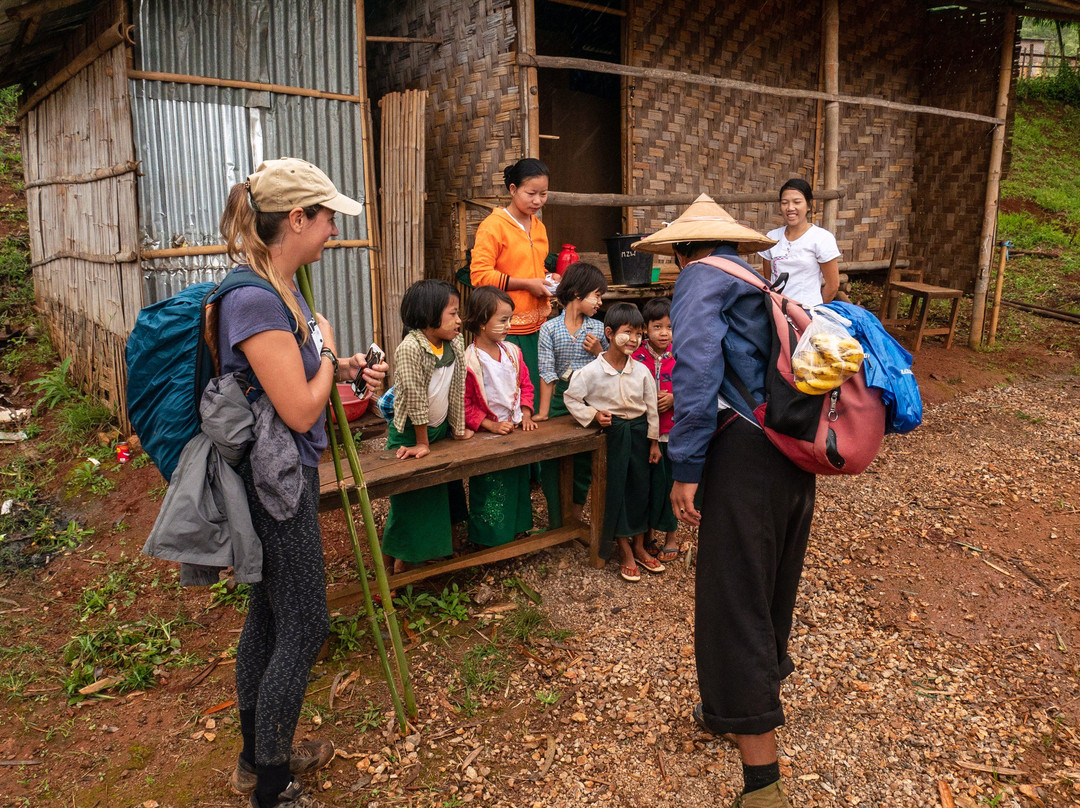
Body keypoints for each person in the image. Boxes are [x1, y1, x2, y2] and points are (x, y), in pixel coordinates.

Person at [217, 158, 387, 808]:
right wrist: (327, 360)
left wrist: (340, 367)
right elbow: (297, 407)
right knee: (306, 626)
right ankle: (273, 786)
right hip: (274, 489)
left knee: (267, 617)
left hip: (279, 475)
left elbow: (295, 375)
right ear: (295, 219)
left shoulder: (283, 289)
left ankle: (255, 758)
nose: (333, 234)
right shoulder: (255, 299)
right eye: (326, 221)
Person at [634, 194, 810, 808]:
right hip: (788, 451)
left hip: (745, 457)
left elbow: (697, 368)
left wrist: (685, 465)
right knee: (767, 585)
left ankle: (763, 786)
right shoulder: (755, 280)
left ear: (682, 250)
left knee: (731, 601)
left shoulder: (701, 280)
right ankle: (740, 705)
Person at [563, 303, 662, 583]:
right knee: (615, 491)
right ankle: (623, 548)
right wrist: (593, 414)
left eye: (639, 334)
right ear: (608, 332)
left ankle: (640, 546)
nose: (634, 339)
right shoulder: (591, 372)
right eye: (627, 332)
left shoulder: (641, 371)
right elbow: (571, 398)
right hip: (614, 438)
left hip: (641, 436)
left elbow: (651, 407)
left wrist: (654, 442)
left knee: (641, 490)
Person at [381, 279, 473, 571]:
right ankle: (394, 567)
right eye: (453, 313)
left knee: (440, 491)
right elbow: (414, 398)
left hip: (437, 431)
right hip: (409, 434)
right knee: (409, 501)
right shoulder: (410, 349)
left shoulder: (454, 342)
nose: (459, 320)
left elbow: (456, 388)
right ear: (429, 314)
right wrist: (421, 442)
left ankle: (436, 549)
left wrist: (457, 429)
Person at [462, 285, 537, 545]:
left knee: (517, 479)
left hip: (514, 429)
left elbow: (526, 384)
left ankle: (517, 528)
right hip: (488, 436)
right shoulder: (470, 361)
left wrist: (526, 413)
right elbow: (465, 403)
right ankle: (489, 539)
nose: (508, 325)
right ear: (482, 321)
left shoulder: (513, 352)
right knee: (490, 483)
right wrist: (490, 426)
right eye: (503, 320)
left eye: (510, 319)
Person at [534, 261, 608, 525]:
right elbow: (546, 372)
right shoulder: (549, 329)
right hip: (558, 400)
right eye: (597, 295)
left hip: (590, 400)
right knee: (552, 461)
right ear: (578, 293)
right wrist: (543, 412)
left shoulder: (598, 329)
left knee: (583, 462)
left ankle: (574, 517)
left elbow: (610, 369)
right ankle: (557, 519)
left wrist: (599, 351)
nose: (600, 302)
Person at [469, 158, 553, 388]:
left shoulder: (538, 227)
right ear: (513, 189)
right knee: (509, 392)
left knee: (533, 390)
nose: (537, 200)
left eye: (543, 194)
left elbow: (534, 266)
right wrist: (526, 284)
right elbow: (480, 276)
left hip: (538, 325)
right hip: (507, 328)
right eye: (531, 193)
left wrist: (548, 278)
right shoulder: (493, 225)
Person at [631, 296, 679, 562]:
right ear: (645, 329)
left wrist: (675, 398)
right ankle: (647, 536)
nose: (664, 333)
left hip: (673, 432)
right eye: (657, 327)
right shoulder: (636, 356)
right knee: (648, 484)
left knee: (671, 484)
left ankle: (671, 535)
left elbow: (698, 386)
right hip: (646, 432)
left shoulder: (682, 353)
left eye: (669, 327)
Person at [758, 178, 841, 307]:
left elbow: (833, 285)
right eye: (785, 203)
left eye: (797, 202)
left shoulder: (821, 238)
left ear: (808, 205)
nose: (790, 208)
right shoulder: (772, 237)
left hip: (807, 312)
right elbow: (768, 281)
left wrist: (815, 311)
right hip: (777, 310)